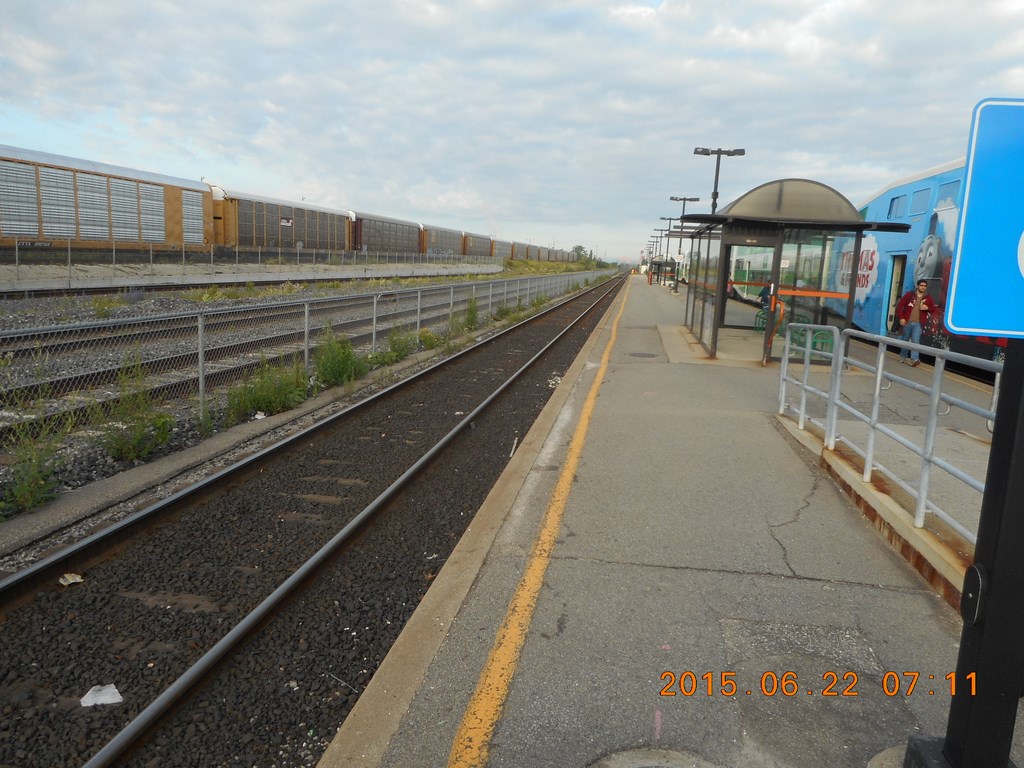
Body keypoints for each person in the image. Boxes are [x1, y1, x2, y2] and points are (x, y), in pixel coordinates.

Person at [895, 279, 938, 366]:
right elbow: (899, 306)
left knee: (915, 340)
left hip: (918, 323)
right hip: (907, 322)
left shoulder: (928, 298)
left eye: (925, 286)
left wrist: (927, 308)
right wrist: (901, 318)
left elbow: (933, 309)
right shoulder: (909, 295)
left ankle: (914, 359)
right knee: (905, 340)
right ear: (917, 286)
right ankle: (903, 356)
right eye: (921, 285)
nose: (923, 287)